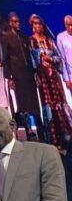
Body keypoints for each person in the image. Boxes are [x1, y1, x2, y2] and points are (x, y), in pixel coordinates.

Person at [28, 14, 72, 146]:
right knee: (48, 104)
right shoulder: (31, 41)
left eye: (39, 23)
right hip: (43, 77)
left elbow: (59, 58)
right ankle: (53, 138)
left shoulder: (49, 40)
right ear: (32, 26)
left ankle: (66, 136)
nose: (38, 26)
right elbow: (33, 61)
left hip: (54, 76)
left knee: (60, 102)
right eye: (35, 24)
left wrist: (51, 59)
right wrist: (40, 63)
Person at [2, 13, 44, 139]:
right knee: (22, 105)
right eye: (15, 22)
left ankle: (40, 131)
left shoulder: (24, 37)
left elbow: (30, 58)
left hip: (29, 75)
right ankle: (27, 130)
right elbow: (5, 59)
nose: (18, 24)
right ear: (10, 23)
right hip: (17, 76)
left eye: (19, 21)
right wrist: (9, 77)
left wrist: (35, 73)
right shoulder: (7, 37)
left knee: (34, 104)